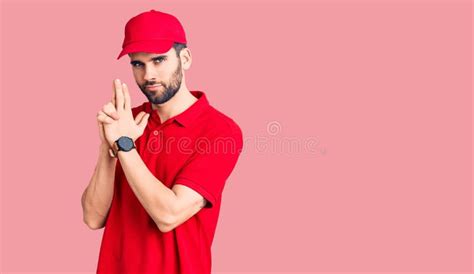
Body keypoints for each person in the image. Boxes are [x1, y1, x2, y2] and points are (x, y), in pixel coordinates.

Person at [80, 9, 244, 274]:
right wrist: (106, 149)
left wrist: (124, 144)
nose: (148, 75)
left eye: (159, 60)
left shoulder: (221, 131)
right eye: (138, 64)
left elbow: (169, 215)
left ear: (185, 58)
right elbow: (92, 217)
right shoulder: (128, 121)